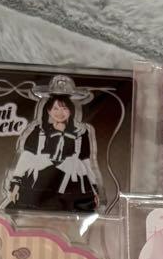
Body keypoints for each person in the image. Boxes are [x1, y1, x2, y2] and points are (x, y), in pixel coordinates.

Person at [6, 84, 101, 212]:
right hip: (41, 177)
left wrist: (95, 190)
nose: (60, 113)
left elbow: (85, 161)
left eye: (64, 108)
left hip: (71, 180)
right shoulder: (39, 131)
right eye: (55, 108)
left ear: (71, 111)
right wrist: (16, 183)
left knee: (74, 210)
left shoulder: (80, 134)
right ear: (49, 111)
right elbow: (27, 156)